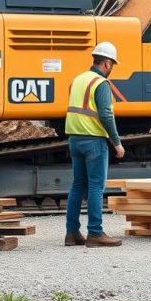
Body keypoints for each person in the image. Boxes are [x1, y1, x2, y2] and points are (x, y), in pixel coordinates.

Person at [64, 41, 126, 247]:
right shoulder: (101, 84)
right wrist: (117, 143)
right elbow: (106, 115)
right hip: (93, 140)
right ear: (107, 63)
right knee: (96, 187)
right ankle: (95, 233)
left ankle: (72, 233)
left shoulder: (78, 80)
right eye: (113, 65)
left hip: (74, 139)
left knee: (77, 186)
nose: (112, 69)